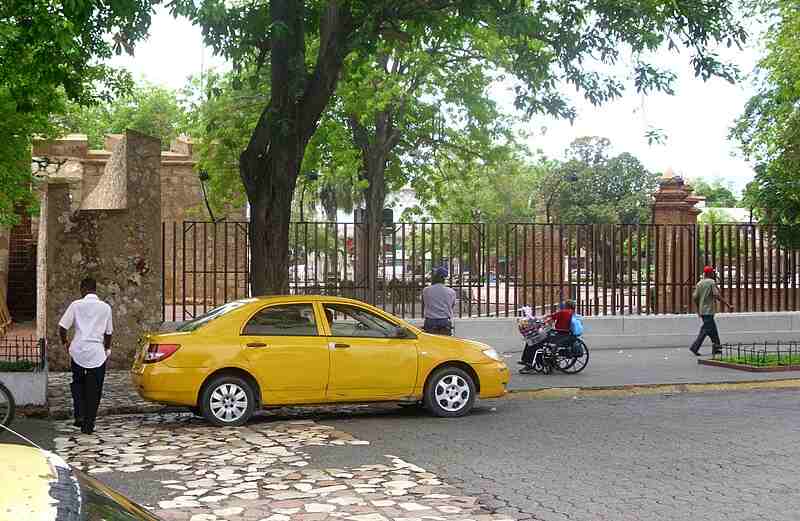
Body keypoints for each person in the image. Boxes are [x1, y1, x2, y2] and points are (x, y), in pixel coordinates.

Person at [58, 277, 113, 435]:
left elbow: (62, 327)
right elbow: (108, 333)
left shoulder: (76, 305)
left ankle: (79, 414)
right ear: (95, 289)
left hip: (79, 350)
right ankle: (89, 424)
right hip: (97, 352)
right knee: (94, 389)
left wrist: (65, 343)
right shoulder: (105, 308)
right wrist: (107, 349)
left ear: (82, 289)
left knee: (78, 384)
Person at [690, 265, 733, 356]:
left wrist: (698, 308)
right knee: (705, 330)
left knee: (713, 330)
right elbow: (716, 295)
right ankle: (695, 347)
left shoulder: (699, 283)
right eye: (712, 272)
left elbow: (695, 297)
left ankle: (717, 348)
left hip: (702, 311)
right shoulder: (711, 282)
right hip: (709, 311)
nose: (713, 274)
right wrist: (727, 304)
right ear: (709, 273)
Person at [520, 300, 576, 369]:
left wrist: (541, 321)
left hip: (558, 334)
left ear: (566, 306)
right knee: (533, 340)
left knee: (534, 341)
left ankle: (529, 361)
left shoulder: (563, 312)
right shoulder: (571, 313)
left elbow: (550, 317)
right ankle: (530, 360)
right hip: (564, 333)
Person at [422, 266, 456, 335]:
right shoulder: (451, 291)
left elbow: (425, 303)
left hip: (430, 321)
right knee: (444, 343)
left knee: (430, 343)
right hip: (444, 321)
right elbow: (452, 305)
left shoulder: (426, 290)